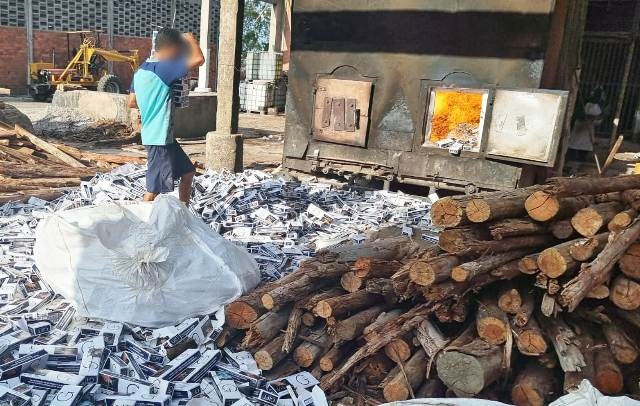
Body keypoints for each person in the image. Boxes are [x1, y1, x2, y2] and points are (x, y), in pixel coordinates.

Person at [127, 28, 205, 203]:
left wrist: (152, 102)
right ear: (170, 48)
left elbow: (131, 102)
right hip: (159, 138)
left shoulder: (140, 71)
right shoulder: (163, 69)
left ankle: (183, 213)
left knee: (188, 172)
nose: (178, 55)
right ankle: (142, 224)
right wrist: (190, 39)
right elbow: (199, 59)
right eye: (178, 51)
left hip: (161, 136)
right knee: (154, 189)